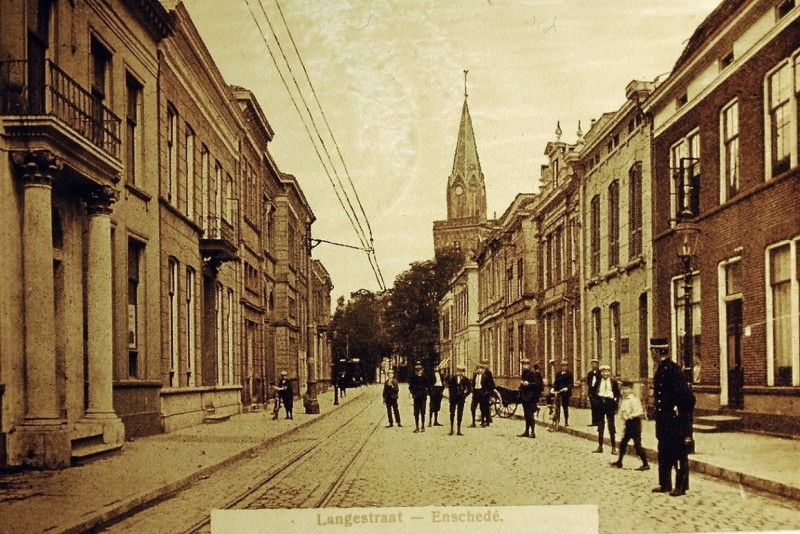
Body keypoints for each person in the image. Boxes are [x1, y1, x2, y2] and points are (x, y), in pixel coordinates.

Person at [650, 337, 696, 497]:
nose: (651, 354)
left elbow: (688, 398)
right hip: (664, 421)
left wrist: (679, 412)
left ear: (656, 352)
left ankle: (681, 487)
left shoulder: (674, 370)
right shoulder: (661, 368)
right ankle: (665, 484)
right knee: (664, 452)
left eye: (652, 351)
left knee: (679, 453)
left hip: (675, 421)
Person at [610, 380, 650, 471]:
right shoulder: (625, 399)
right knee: (623, 443)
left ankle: (645, 464)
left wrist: (630, 416)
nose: (624, 391)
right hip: (628, 424)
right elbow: (622, 411)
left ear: (631, 389)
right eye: (623, 389)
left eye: (627, 389)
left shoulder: (633, 399)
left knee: (637, 445)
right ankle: (619, 461)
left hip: (634, 424)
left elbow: (639, 411)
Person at [592, 364, 620, 454]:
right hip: (600, 404)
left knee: (611, 426)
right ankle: (600, 447)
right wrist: (595, 402)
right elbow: (593, 392)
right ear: (601, 373)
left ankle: (614, 448)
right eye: (603, 372)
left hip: (610, 404)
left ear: (610, 372)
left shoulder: (613, 382)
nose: (605, 374)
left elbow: (617, 393)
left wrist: (615, 403)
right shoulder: (598, 381)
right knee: (600, 426)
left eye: (607, 372)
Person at [518, 358, 544, 438]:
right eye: (523, 365)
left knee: (530, 415)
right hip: (525, 397)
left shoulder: (533, 373)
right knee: (526, 415)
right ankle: (526, 431)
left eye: (525, 364)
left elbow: (537, 384)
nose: (524, 366)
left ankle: (533, 432)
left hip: (531, 397)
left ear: (528, 365)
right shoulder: (524, 373)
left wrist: (528, 383)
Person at [447, 365, 472, 435]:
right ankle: (451, 429)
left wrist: (465, 395)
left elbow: (470, 389)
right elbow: (449, 388)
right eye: (458, 371)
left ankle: (459, 429)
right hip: (453, 399)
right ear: (456, 371)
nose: (460, 372)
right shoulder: (452, 379)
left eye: (461, 371)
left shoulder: (465, 379)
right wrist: (451, 396)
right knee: (452, 413)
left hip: (461, 399)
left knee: (460, 414)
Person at [409, 363, 430, 432]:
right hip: (416, 397)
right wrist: (413, 393)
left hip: (423, 397)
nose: (418, 372)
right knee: (416, 412)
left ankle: (423, 426)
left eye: (419, 370)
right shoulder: (413, 378)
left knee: (423, 412)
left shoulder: (425, 377)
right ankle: (417, 426)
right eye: (417, 370)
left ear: (422, 370)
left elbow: (429, 385)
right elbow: (410, 387)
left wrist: (427, 392)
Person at [553, 360, 574, 427]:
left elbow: (571, 383)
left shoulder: (569, 374)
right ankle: (557, 420)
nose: (563, 367)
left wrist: (567, 388)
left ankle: (566, 421)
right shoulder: (558, 374)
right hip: (559, 391)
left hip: (566, 393)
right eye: (562, 366)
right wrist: (553, 388)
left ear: (567, 366)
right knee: (557, 406)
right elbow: (555, 382)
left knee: (565, 407)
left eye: (565, 366)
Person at [586, 358, 602, 427]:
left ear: (597, 365)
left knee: (598, 407)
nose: (594, 365)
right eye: (592, 364)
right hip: (592, 392)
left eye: (595, 364)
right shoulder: (590, 373)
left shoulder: (600, 373)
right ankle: (594, 422)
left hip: (598, 392)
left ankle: (599, 422)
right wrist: (589, 392)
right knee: (593, 407)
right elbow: (588, 383)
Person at [479, 361, 495, 427]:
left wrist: (488, 391)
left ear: (488, 365)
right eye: (483, 364)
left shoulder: (488, 373)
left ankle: (486, 421)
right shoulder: (483, 372)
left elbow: (491, 384)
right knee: (482, 407)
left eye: (485, 364)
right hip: (482, 392)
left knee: (485, 407)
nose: (484, 366)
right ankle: (484, 421)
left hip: (486, 393)